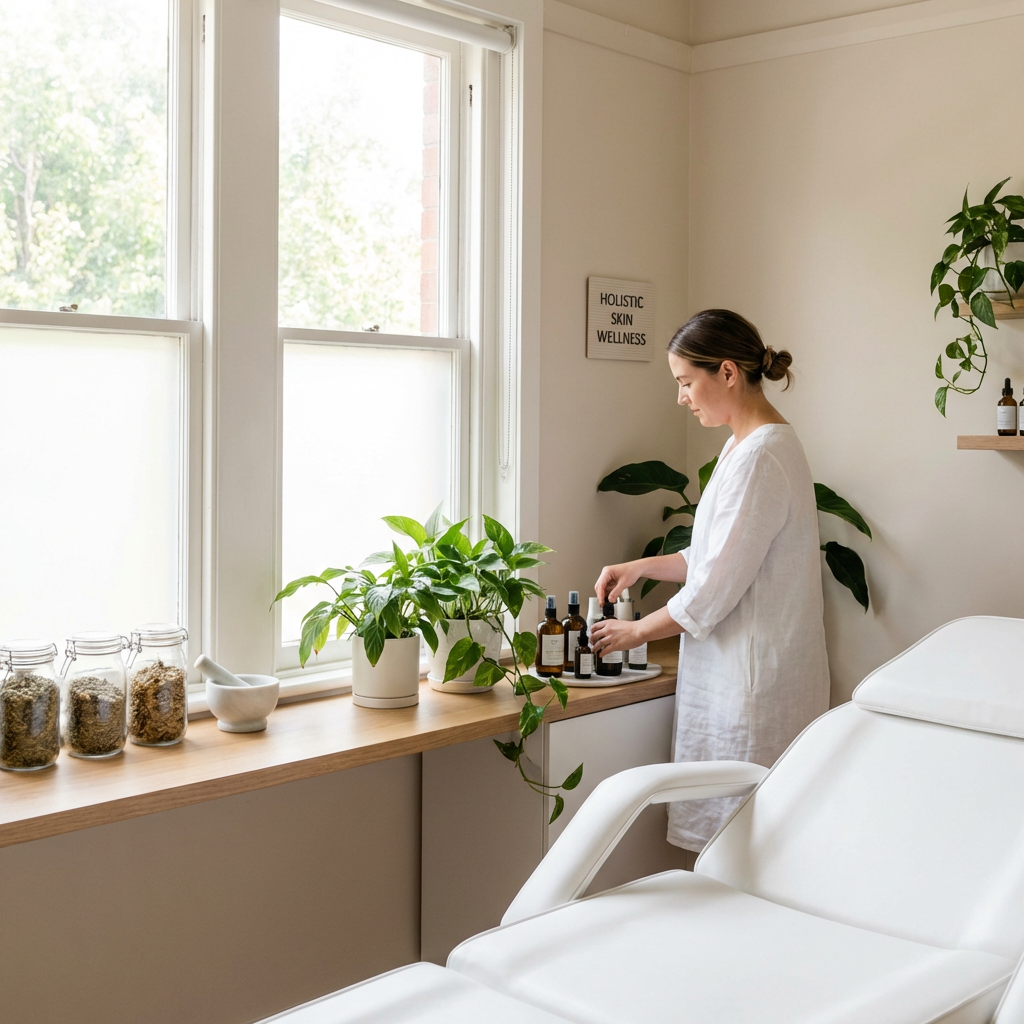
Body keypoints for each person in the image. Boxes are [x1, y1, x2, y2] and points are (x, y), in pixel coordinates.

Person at [589, 309, 830, 852]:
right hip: (744, 675)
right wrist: (643, 566)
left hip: (753, 686)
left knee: (745, 848)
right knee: (742, 845)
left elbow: (713, 587)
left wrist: (632, 633)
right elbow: (717, 555)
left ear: (726, 372)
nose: (681, 398)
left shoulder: (761, 456)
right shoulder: (744, 446)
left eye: (685, 382)